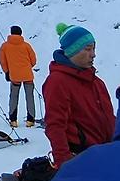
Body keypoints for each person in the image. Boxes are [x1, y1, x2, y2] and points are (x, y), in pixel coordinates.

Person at [42, 22, 114, 168]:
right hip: (81, 158)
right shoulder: (58, 82)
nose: (93, 54)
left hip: (105, 155)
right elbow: (55, 125)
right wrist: (64, 161)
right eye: (88, 49)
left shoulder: (96, 82)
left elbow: (108, 119)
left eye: (93, 48)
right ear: (72, 51)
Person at [0, 24, 38, 127]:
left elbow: (2, 61)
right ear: (21, 33)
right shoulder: (26, 45)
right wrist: (27, 67)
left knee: (13, 97)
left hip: (14, 76)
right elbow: (33, 60)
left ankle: (13, 120)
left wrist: (7, 72)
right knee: (30, 97)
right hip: (27, 75)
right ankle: (30, 120)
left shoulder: (5, 46)